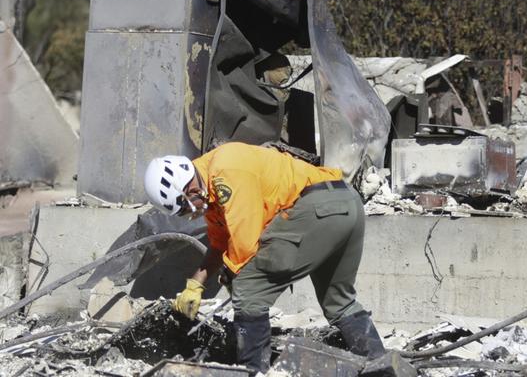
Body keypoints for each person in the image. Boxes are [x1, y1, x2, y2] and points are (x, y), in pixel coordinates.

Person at [143, 142, 385, 373]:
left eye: (186, 207)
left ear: (188, 187)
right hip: (346, 204)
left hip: (316, 208)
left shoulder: (225, 171)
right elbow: (219, 244)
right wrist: (195, 284)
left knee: (248, 290)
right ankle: (382, 366)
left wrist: (232, 277)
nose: (190, 214)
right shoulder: (212, 188)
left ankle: (254, 372)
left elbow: (245, 245)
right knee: (339, 303)